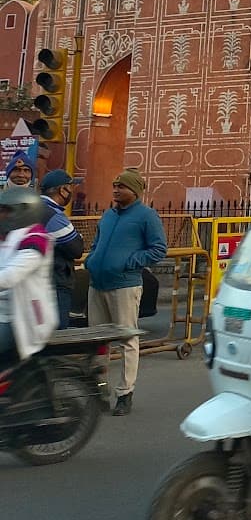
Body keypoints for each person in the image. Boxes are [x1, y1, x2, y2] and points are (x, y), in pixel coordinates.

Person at [84, 169, 167, 415]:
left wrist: (130, 261)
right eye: (115, 185)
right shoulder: (108, 215)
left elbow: (158, 249)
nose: (116, 190)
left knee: (127, 340)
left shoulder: (146, 216)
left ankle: (125, 393)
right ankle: (98, 391)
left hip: (125, 285)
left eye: (122, 187)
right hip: (97, 284)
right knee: (97, 342)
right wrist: (92, 259)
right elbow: (97, 243)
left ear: (135, 191)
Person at [0, 185, 55, 363]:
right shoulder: (6, 236)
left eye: (7, 211)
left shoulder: (36, 239)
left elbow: (10, 276)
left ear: (24, 211)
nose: (2, 215)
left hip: (21, 319)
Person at [40, 170, 84, 329]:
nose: (72, 192)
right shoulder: (53, 216)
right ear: (62, 190)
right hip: (56, 283)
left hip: (38, 282)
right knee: (57, 334)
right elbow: (77, 248)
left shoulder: (32, 208)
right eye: (71, 188)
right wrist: (79, 236)